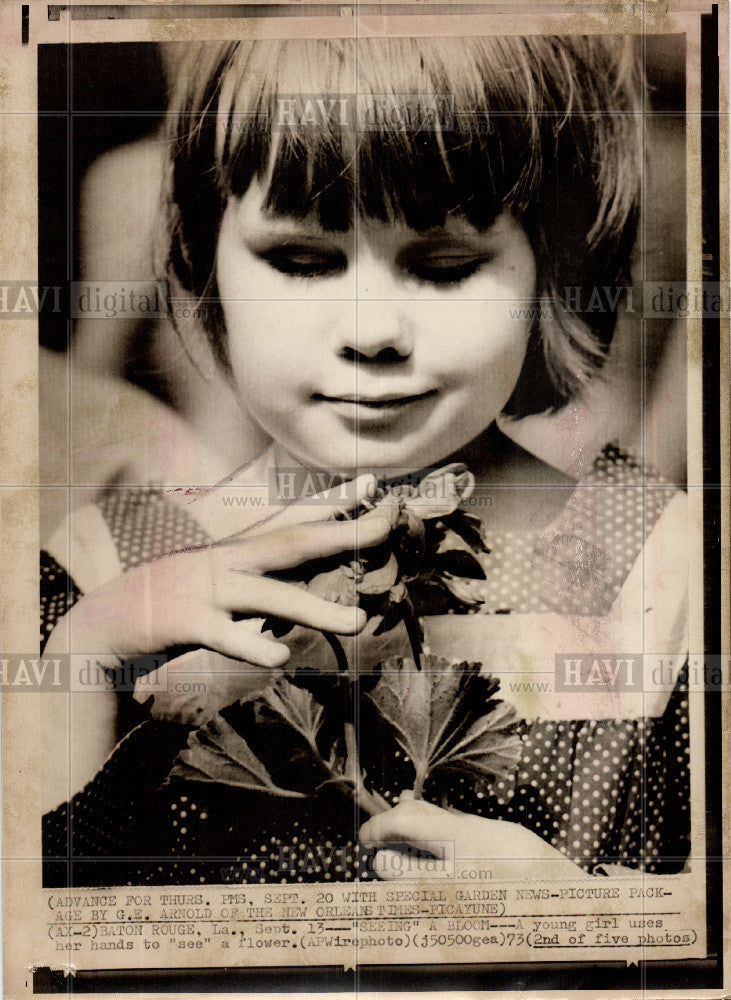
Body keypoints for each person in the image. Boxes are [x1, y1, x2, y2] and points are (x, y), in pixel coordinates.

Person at [41, 35, 689, 887]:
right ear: (206, 264)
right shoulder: (100, 571)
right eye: (301, 261)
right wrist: (78, 666)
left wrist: (590, 913)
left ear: (553, 270)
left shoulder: (663, 563)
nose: (370, 332)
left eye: (444, 266)